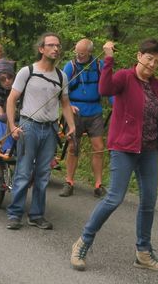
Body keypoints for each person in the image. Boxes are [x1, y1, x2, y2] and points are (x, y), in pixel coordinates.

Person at [70, 39, 158, 272]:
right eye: (149, 58)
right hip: (124, 147)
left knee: (149, 202)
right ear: (139, 56)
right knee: (114, 198)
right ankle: (83, 243)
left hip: (149, 150)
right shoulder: (123, 77)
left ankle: (143, 252)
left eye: (157, 61)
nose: (152, 64)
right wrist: (108, 59)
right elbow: (104, 89)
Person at [5, 32, 76, 231]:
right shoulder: (27, 72)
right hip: (29, 127)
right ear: (41, 49)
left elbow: (65, 102)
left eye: (58, 46)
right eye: (51, 45)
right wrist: (12, 126)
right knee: (24, 172)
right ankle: (15, 214)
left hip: (51, 129)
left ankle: (36, 215)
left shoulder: (62, 76)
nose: (56, 49)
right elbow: (11, 100)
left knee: (43, 174)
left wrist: (72, 126)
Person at [60, 39, 106, 198]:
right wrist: (68, 106)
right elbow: (61, 89)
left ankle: (98, 185)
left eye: (82, 53)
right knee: (73, 146)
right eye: (77, 52)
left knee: (99, 147)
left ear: (89, 52)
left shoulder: (100, 66)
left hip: (94, 111)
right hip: (74, 112)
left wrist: (117, 105)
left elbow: (109, 87)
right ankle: (69, 182)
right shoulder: (70, 67)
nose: (78, 56)